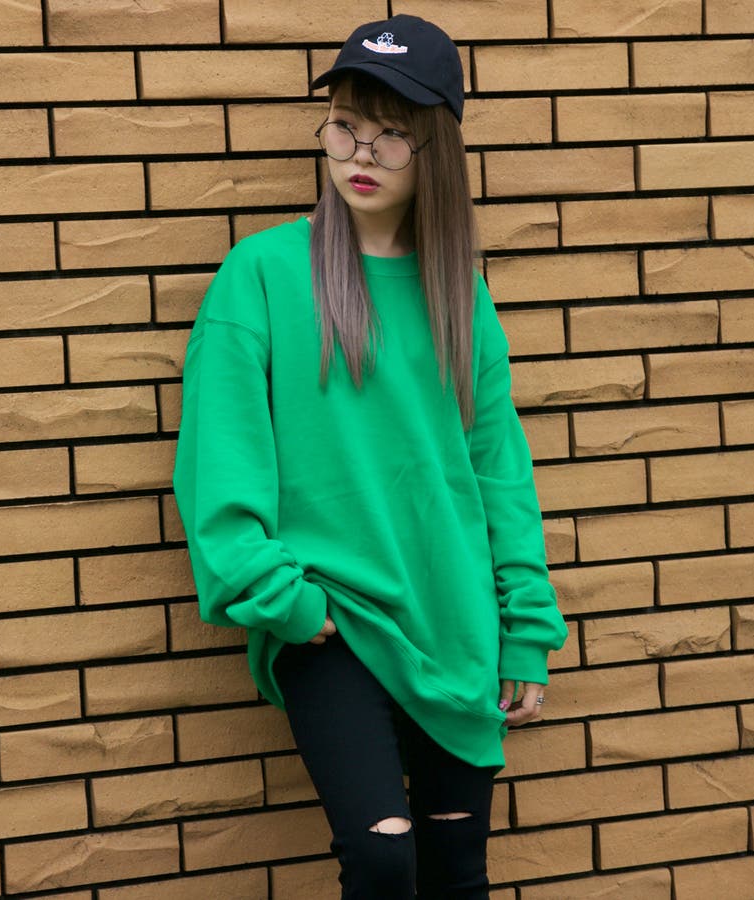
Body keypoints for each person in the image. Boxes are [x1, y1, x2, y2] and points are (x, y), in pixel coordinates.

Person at [173, 14, 567, 898]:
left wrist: (527, 629)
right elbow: (219, 460)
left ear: (434, 151)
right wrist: (282, 599)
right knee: (384, 859)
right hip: (333, 622)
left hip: (454, 623)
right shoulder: (263, 274)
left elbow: (499, 471)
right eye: (346, 126)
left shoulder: (459, 293)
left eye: (392, 135)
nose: (362, 153)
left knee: (456, 868)